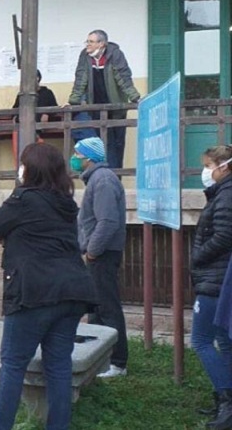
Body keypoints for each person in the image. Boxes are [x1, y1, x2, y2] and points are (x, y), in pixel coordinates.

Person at [0, 143, 96, 430]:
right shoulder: (66, 204)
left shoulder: (23, 199)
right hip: (72, 291)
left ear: (30, 170)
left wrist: (12, 230)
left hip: (34, 294)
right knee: (58, 367)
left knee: (13, 364)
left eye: (23, 164)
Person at [71, 137, 129, 378]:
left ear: (89, 158)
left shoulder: (103, 180)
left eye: (77, 154)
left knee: (107, 307)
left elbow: (107, 222)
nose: (74, 158)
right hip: (98, 253)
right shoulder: (97, 179)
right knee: (96, 309)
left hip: (102, 254)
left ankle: (118, 362)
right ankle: (99, 357)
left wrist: (92, 251)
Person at [189, 145, 232, 429]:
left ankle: (226, 400)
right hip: (220, 279)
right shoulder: (222, 192)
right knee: (225, 341)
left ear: (223, 165)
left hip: (215, 279)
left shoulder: (226, 194)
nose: (206, 171)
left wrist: (197, 256)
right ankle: (226, 405)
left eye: (208, 165)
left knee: (201, 340)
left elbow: (224, 236)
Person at [67, 30, 140, 169]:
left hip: (116, 108)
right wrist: (73, 102)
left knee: (117, 144)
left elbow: (123, 78)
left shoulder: (115, 54)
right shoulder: (85, 56)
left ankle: (115, 177)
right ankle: (104, 174)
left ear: (101, 44)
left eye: (91, 42)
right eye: (87, 41)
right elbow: (80, 79)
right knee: (102, 144)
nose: (87, 44)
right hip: (95, 109)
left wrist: (135, 98)